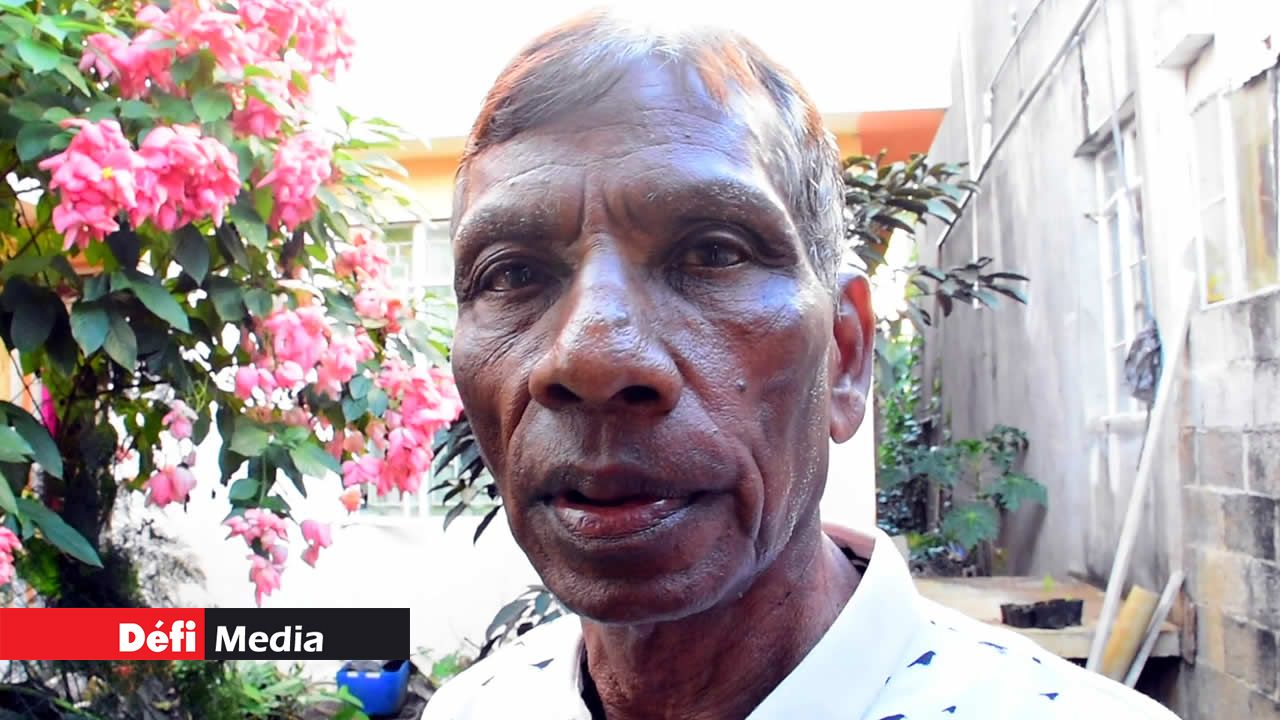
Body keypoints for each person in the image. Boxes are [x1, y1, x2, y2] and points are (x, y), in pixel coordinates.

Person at [426, 10, 1181, 720]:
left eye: (713, 253)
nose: (591, 355)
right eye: (510, 274)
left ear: (846, 357)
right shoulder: (474, 708)